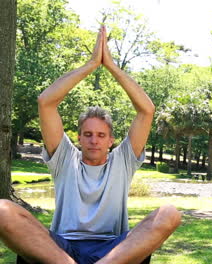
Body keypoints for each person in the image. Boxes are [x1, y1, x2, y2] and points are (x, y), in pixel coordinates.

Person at [0, 26, 181, 264]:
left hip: (112, 251)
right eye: (87, 134)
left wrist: (112, 67)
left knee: (170, 213)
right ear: (79, 137)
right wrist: (91, 64)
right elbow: (46, 102)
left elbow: (146, 110)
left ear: (111, 140)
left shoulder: (123, 161)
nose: (94, 140)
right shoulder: (65, 158)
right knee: (2, 209)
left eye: (100, 134)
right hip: (62, 250)